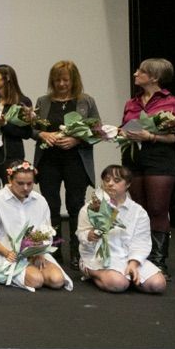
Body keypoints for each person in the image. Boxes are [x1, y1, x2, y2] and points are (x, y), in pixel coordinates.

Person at [118, 58, 175, 277]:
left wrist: (150, 136)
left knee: (157, 208)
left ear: (155, 77)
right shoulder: (132, 103)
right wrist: (119, 133)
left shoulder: (174, 103)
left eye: (141, 71)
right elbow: (125, 127)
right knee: (139, 209)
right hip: (133, 158)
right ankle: (140, 256)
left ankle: (158, 262)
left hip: (159, 158)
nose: (135, 74)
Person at [32, 60, 101, 268]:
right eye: (57, 80)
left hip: (76, 160)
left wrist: (76, 140)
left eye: (65, 80)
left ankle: (77, 252)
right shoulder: (43, 101)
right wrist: (43, 134)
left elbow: (98, 131)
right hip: (48, 161)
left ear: (74, 80)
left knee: (75, 205)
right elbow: (32, 129)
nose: (61, 84)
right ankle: (54, 250)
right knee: (50, 205)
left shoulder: (86, 101)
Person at [77, 164, 166, 294]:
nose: (110, 184)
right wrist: (89, 235)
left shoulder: (138, 212)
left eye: (116, 180)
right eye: (107, 180)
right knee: (118, 284)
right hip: (99, 258)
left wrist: (133, 263)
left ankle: (126, 276)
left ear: (128, 184)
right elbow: (81, 234)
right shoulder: (91, 207)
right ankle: (90, 271)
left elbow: (142, 243)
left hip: (127, 257)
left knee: (158, 284)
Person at [0, 160, 71, 292]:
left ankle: (34, 270)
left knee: (57, 280)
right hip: (8, 254)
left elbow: (47, 232)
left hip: (36, 253)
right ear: (9, 179)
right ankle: (9, 272)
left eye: (29, 183)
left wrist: (40, 252)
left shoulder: (40, 200)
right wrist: (7, 253)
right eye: (20, 183)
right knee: (36, 280)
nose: (25, 188)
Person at [0, 64, 33, 203]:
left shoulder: (22, 101)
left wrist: (4, 124)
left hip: (12, 155)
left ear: (7, 77)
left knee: (13, 196)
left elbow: (26, 133)